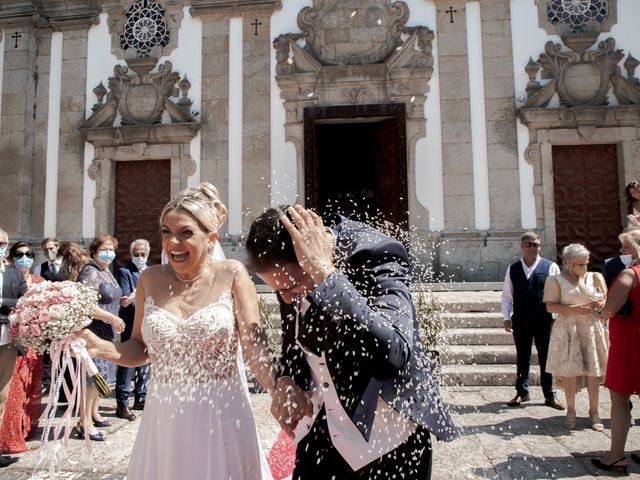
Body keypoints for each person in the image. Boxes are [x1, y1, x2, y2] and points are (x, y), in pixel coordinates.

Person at [79, 183, 280, 479]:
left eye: (185, 232)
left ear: (211, 238)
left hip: (222, 417)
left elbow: (253, 344)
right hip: (164, 420)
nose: (173, 242)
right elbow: (139, 347)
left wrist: (280, 387)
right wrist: (101, 347)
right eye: (165, 232)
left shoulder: (232, 273)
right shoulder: (149, 278)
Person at [246, 205, 459, 480]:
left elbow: (391, 356)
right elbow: (294, 339)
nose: (286, 298)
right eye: (278, 291)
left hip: (389, 443)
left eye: (290, 288)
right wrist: (285, 378)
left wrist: (325, 274)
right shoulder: (288, 274)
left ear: (309, 255)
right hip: (321, 435)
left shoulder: (377, 253)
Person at [59, 239, 125, 442]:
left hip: (106, 333)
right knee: (89, 380)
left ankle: (94, 414)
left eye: (112, 249)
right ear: (94, 252)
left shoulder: (106, 270)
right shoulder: (91, 272)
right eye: (104, 250)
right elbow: (85, 305)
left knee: (98, 379)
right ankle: (83, 423)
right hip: (93, 332)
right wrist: (112, 317)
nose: (109, 253)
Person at [590, 229, 640, 474]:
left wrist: (598, 310)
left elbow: (609, 310)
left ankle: (616, 455)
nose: (621, 253)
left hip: (630, 342)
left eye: (625, 248)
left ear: (635, 250)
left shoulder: (629, 274)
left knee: (620, 398)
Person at [543, 244, 609, 430]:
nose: (584, 268)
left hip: (591, 327)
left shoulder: (595, 277)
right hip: (568, 328)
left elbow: (605, 300)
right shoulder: (555, 280)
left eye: (586, 263)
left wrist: (600, 304)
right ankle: (571, 411)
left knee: (593, 372)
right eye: (580, 264)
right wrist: (574, 309)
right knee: (570, 372)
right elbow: (550, 307)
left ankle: (594, 413)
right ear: (569, 263)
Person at [502, 232, 565, 409]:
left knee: (546, 357)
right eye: (529, 244)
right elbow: (507, 295)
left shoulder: (550, 267)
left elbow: (558, 294)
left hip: (544, 319)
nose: (532, 247)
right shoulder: (513, 269)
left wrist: (556, 317)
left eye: (536, 244)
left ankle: (550, 394)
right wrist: (506, 318)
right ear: (522, 247)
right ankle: (522, 392)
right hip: (521, 318)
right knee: (523, 356)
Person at [0, 242, 45, 455]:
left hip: (32, 344)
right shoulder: (9, 277)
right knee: (11, 392)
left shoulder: (39, 281)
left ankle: (23, 428)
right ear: (11, 256)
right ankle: (8, 437)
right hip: (11, 342)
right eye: (19, 254)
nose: (24, 258)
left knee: (26, 390)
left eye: (29, 254)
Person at [114, 239, 151, 421]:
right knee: (127, 361)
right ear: (131, 254)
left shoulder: (152, 272)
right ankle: (122, 403)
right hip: (131, 322)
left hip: (149, 324)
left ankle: (141, 396)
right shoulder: (124, 271)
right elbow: (127, 299)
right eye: (136, 254)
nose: (140, 257)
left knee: (146, 359)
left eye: (143, 254)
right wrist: (150, 308)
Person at [0, 229, 27, 468]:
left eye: (2, 243)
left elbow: (23, 299)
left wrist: (1, 303)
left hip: (6, 341)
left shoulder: (13, 275)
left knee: (2, 395)